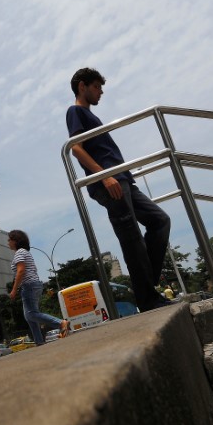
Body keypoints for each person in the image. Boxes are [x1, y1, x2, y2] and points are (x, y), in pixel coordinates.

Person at [66, 68, 172, 312]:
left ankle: (146, 287)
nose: (101, 92)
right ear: (82, 86)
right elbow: (76, 149)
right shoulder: (75, 112)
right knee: (132, 238)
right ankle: (147, 299)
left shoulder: (89, 116)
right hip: (109, 180)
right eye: (96, 87)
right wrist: (104, 176)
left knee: (159, 221)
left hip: (123, 179)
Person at [7, 230, 69, 345]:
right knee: (29, 316)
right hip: (34, 284)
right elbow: (34, 268)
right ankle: (39, 341)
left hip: (29, 285)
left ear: (15, 241)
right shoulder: (26, 252)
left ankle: (60, 323)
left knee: (31, 314)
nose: (8, 242)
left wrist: (14, 289)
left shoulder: (19, 253)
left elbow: (20, 271)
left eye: (9, 240)